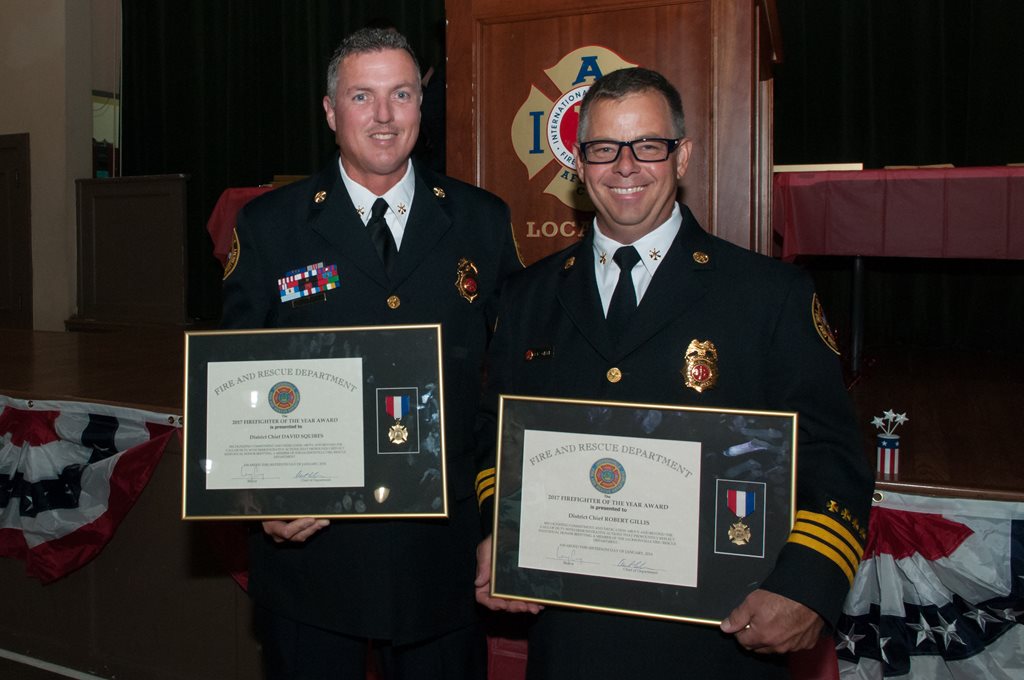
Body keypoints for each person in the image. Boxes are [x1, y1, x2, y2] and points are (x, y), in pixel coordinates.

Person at [473, 67, 874, 678]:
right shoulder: (527, 297)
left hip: (715, 641)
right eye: (604, 148)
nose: (625, 166)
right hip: (573, 639)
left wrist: (808, 584)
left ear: (681, 156)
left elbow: (832, 455)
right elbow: (491, 436)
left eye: (648, 146)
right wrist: (502, 533)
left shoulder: (767, 296)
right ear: (580, 165)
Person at [221, 28, 521, 679]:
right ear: (331, 112)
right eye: (363, 96)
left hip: (441, 556)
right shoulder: (272, 226)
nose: (384, 116)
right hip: (312, 556)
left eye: (401, 94)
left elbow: (511, 385)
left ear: (420, 106)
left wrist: (508, 519)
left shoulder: (481, 221)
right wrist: (260, 493)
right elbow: (235, 376)